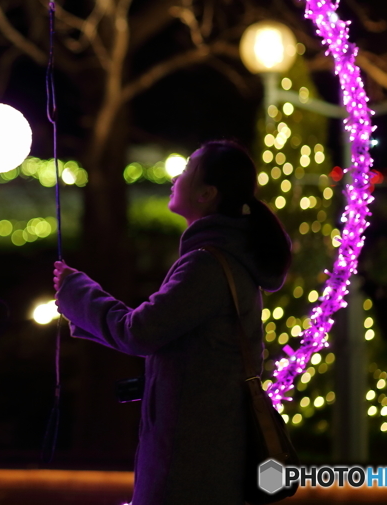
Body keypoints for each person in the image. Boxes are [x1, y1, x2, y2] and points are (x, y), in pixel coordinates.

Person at [53, 140, 291, 505]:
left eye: (187, 169)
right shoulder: (219, 259)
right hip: (205, 452)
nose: (176, 177)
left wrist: (75, 290)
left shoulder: (207, 265)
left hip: (192, 460)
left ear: (207, 194)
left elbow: (139, 332)